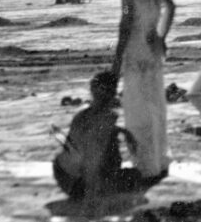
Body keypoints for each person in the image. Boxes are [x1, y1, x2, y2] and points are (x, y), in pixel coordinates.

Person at [110, 0, 174, 182]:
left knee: (137, 109)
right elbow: (170, 6)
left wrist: (117, 57)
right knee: (156, 104)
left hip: (136, 47)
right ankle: (160, 161)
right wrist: (161, 36)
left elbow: (126, 17)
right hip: (153, 47)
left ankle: (146, 166)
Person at [52, 71, 153, 211]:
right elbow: (92, 156)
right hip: (87, 184)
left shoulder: (81, 115)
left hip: (68, 179)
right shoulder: (105, 118)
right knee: (135, 177)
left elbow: (71, 149)